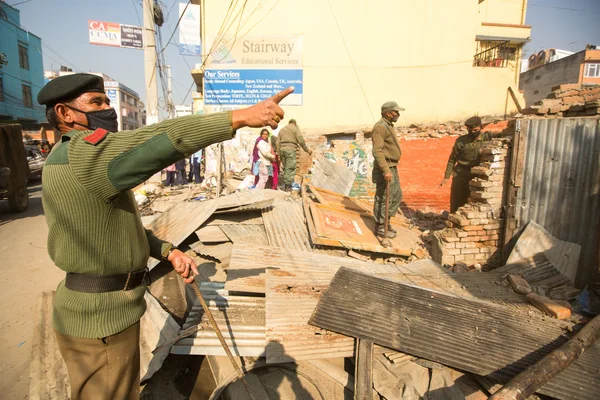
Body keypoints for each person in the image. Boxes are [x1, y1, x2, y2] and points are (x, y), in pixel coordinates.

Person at [37, 73, 292, 399]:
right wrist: (239, 117)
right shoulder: (87, 156)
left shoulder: (62, 158)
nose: (108, 108)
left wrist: (168, 251)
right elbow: (163, 138)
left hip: (95, 311)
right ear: (64, 113)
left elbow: (113, 229)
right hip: (102, 320)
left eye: (106, 100)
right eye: (96, 102)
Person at [440, 116, 491, 213]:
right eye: (469, 129)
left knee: (473, 201)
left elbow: (503, 135)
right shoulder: (461, 141)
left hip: (477, 174)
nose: (472, 132)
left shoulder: (487, 138)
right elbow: (452, 159)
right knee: (457, 200)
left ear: (481, 127)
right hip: (461, 173)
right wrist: (446, 177)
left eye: (475, 130)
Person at [371, 101, 405, 239]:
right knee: (383, 197)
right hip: (385, 168)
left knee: (396, 196)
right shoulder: (380, 127)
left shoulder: (388, 125)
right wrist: (385, 170)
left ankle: (386, 221)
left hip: (392, 166)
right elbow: (377, 151)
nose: (398, 114)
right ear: (388, 113)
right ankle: (380, 225)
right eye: (396, 112)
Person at [276, 119, 312, 191]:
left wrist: (278, 154)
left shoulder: (282, 129)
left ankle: (286, 185)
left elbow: (277, 143)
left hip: (282, 150)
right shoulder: (295, 128)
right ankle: (287, 187)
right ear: (295, 123)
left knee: (286, 168)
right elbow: (300, 140)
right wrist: (307, 150)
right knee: (290, 168)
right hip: (290, 150)